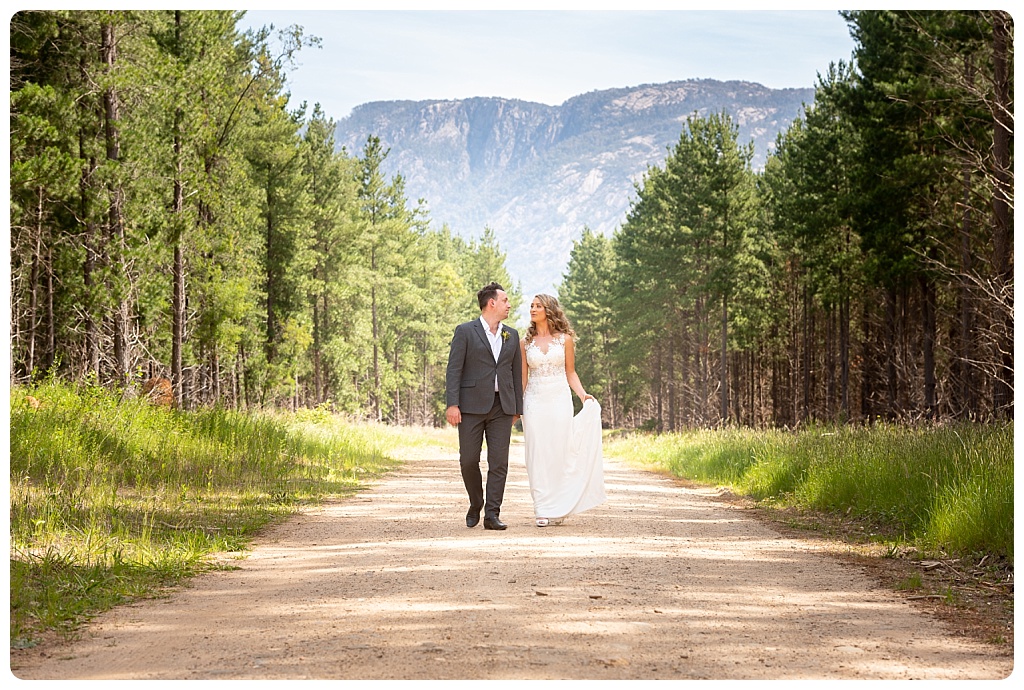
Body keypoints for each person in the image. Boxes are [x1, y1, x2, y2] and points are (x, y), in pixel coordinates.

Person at [519, 294, 606, 527]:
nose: (533, 309)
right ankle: (542, 507)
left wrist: (583, 395)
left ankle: (558, 504)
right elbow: (523, 379)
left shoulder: (565, 340)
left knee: (559, 451)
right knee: (537, 452)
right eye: (531, 306)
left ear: (549, 310)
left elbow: (570, 373)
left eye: (538, 306)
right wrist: (516, 408)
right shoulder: (524, 343)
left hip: (559, 400)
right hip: (534, 402)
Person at [445, 282, 524, 531]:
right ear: (492, 303)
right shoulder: (465, 331)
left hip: (502, 407)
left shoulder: (511, 334)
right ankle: (476, 502)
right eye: (505, 300)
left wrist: (517, 409)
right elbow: (454, 370)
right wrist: (452, 404)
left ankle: (492, 514)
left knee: (499, 462)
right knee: (468, 460)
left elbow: (515, 373)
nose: (509, 305)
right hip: (470, 407)